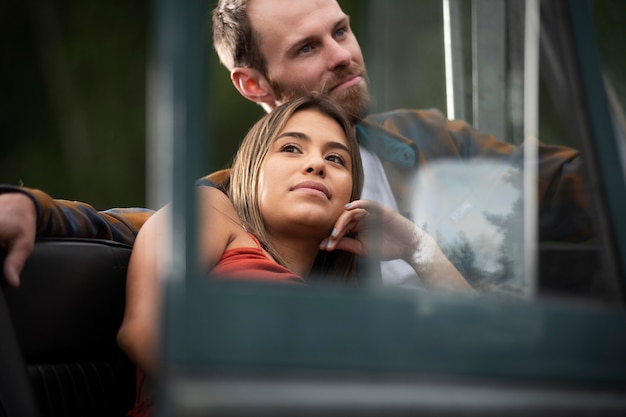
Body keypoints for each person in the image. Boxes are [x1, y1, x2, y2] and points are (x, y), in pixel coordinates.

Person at [0, 0, 592, 289]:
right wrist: (32, 206)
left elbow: (572, 183)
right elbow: (133, 229)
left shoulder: (430, 140)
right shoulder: (238, 204)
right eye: (308, 48)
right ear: (254, 84)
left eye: (340, 30)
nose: (342, 55)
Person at [116, 94, 473, 416]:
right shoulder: (210, 208)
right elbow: (143, 328)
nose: (317, 164)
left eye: (335, 158)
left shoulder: (345, 305)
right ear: (251, 168)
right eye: (291, 149)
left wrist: (415, 246)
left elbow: (478, 349)